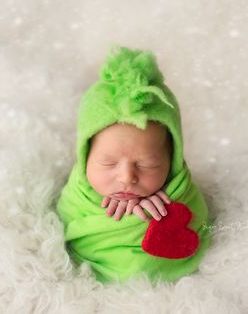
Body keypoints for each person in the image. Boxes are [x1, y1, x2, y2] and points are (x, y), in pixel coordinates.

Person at [56, 44, 212, 284]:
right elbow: (67, 221)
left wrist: (165, 214)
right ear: (85, 155)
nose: (127, 177)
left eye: (148, 165)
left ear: (173, 161)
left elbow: (199, 221)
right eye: (108, 163)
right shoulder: (78, 194)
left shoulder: (181, 188)